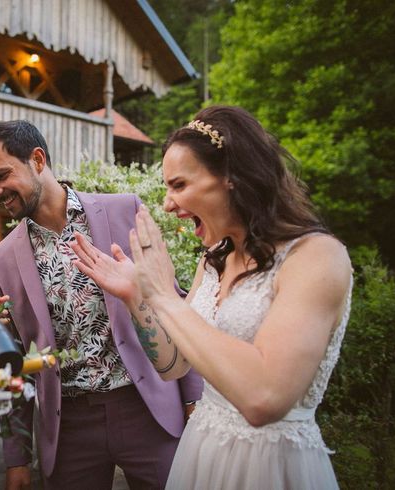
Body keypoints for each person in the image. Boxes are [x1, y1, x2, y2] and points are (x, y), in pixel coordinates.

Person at [68, 105, 350, 488]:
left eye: (179, 185)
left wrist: (163, 295)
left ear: (231, 176)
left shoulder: (316, 257)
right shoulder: (215, 259)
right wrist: (137, 297)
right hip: (204, 449)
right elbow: (174, 365)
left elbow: (264, 398)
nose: (167, 204)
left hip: (270, 465)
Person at [0, 120, 203, 489]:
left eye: (1, 175)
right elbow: (11, 366)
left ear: (37, 160)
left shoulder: (124, 210)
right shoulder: (0, 262)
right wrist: (16, 457)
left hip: (147, 408)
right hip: (68, 428)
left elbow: (171, 302)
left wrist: (194, 398)